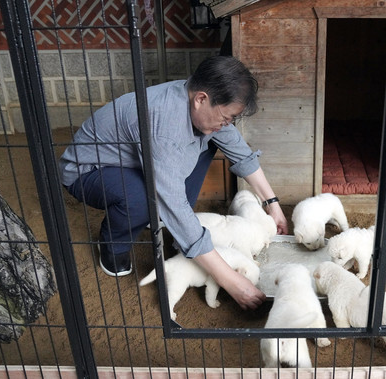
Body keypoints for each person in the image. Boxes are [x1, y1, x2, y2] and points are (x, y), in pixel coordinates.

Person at [58, 55, 288, 310]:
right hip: (89, 170)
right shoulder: (164, 126)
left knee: (211, 139)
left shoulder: (198, 102)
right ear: (201, 99)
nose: (227, 124)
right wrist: (231, 280)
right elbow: (173, 203)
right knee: (141, 198)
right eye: (226, 117)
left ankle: (166, 222)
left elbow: (239, 151)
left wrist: (272, 204)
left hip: (133, 161)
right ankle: (114, 248)